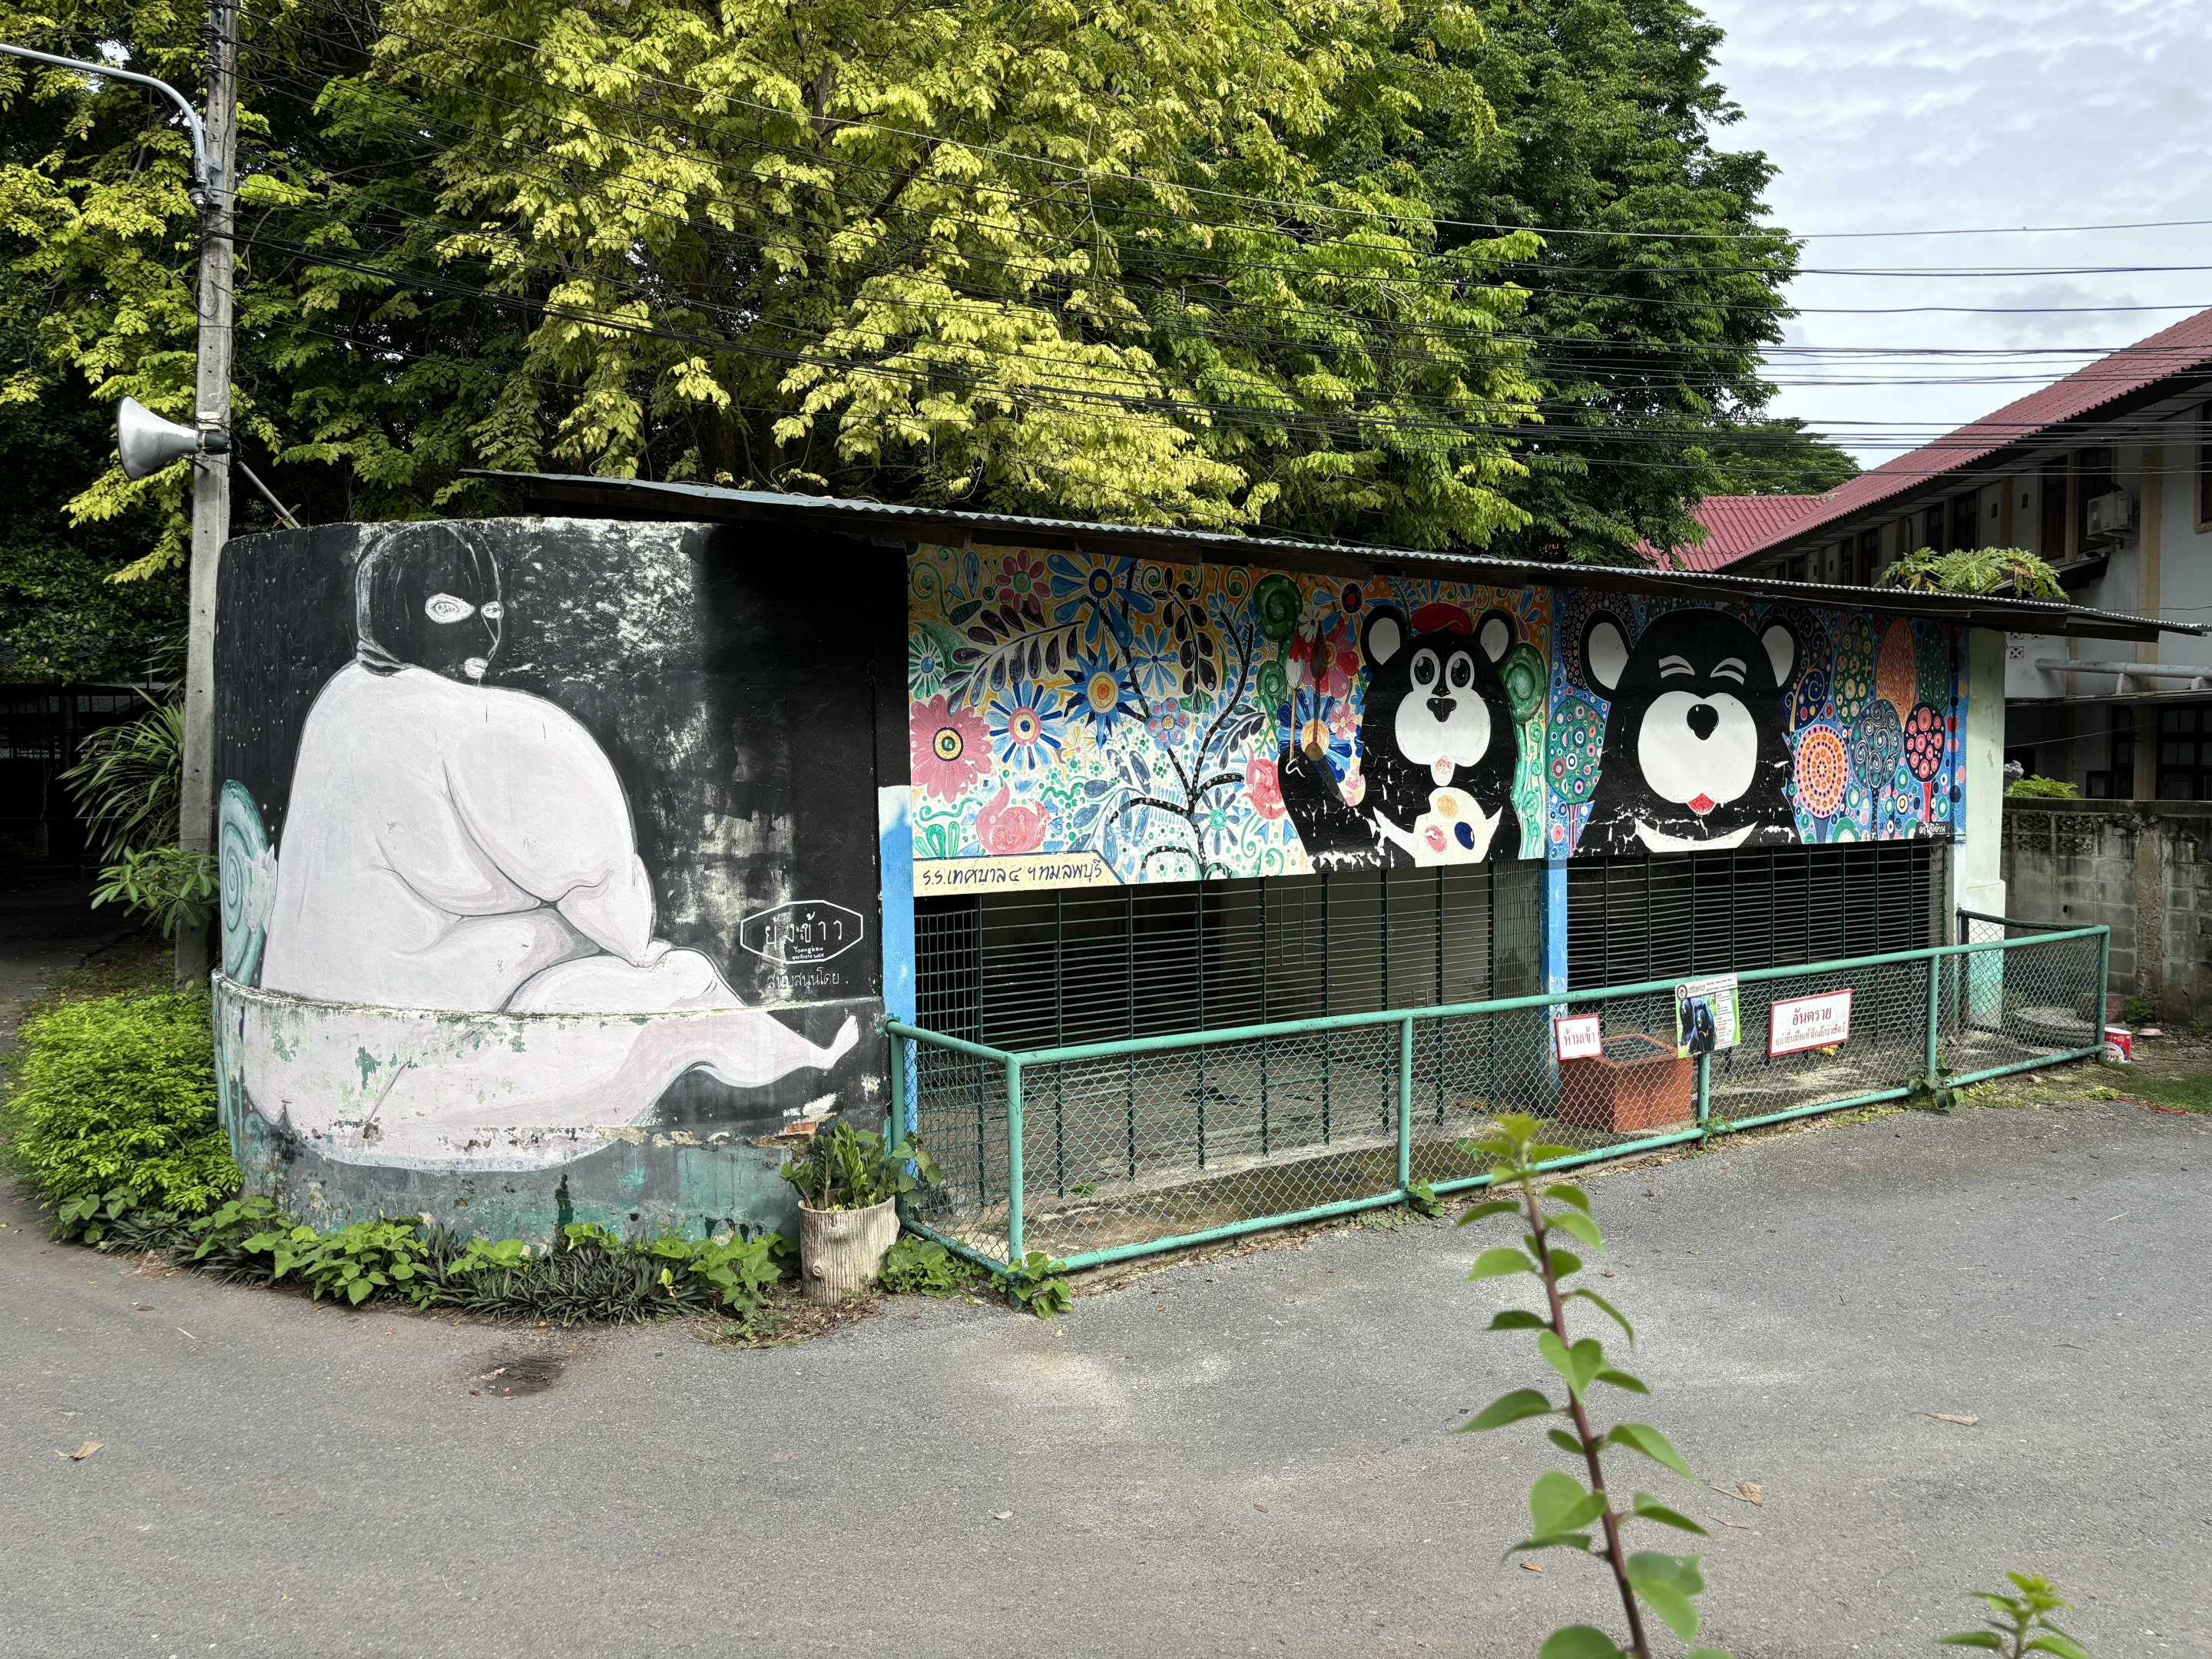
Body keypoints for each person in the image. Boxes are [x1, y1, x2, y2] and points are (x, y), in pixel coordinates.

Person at [241, 524, 855, 1167]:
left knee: (581, 947)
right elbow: (619, 915)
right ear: (392, 615)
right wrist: (608, 940)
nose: (483, 635)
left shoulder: (342, 705)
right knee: (677, 979)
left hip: (290, 1069)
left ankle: (803, 1065)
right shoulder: (489, 730)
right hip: (390, 1094)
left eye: (493, 613)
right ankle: (809, 1085)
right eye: (449, 610)